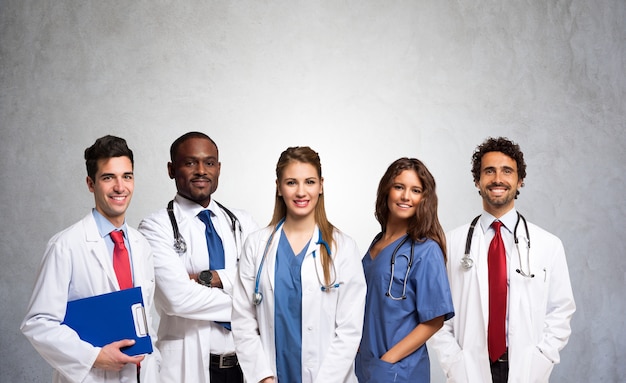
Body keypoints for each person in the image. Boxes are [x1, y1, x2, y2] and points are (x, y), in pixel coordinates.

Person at [430, 137, 576, 383]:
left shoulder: (549, 245)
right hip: (469, 368)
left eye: (507, 171)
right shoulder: (450, 244)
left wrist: (542, 358)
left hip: (526, 367)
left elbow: (561, 311)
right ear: (477, 181)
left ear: (520, 181)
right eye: (489, 171)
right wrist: (455, 362)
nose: (498, 179)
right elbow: (437, 313)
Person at [21, 135, 160, 382]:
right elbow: (38, 322)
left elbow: (144, 318)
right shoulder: (65, 246)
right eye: (108, 177)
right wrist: (93, 356)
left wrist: (154, 365)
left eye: (126, 176)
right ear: (90, 183)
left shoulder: (141, 245)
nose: (120, 187)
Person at [232, 146, 366, 383]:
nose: (301, 192)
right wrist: (263, 377)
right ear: (279, 187)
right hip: (270, 378)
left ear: (321, 185)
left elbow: (349, 330)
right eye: (292, 182)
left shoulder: (343, 248)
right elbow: (243, 321)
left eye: (310, 182)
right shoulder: (257, 245)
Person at [138, 132, 258, 383]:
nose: (201, 170)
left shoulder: (243, 222)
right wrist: (250, 301)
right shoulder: (154, 228)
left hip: (244, 366)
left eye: (209, 162)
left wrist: (214, 278)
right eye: (190, 162)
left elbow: (267, 283)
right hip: (188, 367)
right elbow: (177, 299)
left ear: (219, 168)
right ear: (171, 169)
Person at [355, 157, 455, 383]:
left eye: (415, 190)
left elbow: (434, 319)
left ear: (424, 199)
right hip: (366, 365)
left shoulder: (426, 250)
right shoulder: (377, 243)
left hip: (400, 370)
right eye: (399, 187)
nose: (405, 197)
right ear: (387, 190)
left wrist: (388, 360)